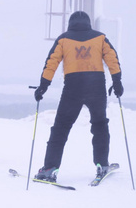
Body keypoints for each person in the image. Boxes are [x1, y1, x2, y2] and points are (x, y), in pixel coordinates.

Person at [33, 11, 124, 182]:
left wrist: (43, 86)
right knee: (99, 125)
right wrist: (117, 82)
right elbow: (112, 59)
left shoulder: (63, 39)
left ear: (70, 23)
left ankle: (49, 169)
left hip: (73, 88)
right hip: (96, 87)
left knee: (60, 128)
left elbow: (51, 62)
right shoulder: (100, 38)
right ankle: (102, 165)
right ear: (89, 23)